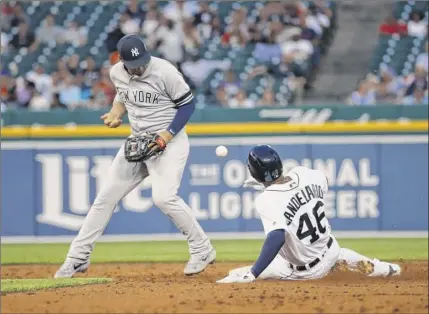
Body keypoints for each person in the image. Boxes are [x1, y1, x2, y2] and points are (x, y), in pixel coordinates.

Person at [54, 34, 215, 278]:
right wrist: (115, 113)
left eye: (142, 61)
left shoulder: (165, 72)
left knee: (164, 198)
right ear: (121, 61)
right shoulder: (117, 73)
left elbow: (188, 106)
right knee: (105, 198)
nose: (140, 67)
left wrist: (167, 135)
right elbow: (123, 96)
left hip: (169, 141)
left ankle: (202, 248)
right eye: (134, 64)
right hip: (138, 142)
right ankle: (77, 257)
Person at [216, 145, 401, 283]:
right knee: (386, 270)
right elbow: (323, 180)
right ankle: (383, 268)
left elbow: (277, 237)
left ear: (254, 173)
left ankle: (337, 268)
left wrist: (254, 273)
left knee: (235, 277)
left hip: (302, 271)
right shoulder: (304, 174)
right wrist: (271, 183)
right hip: (332, 251)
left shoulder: (267, 199)